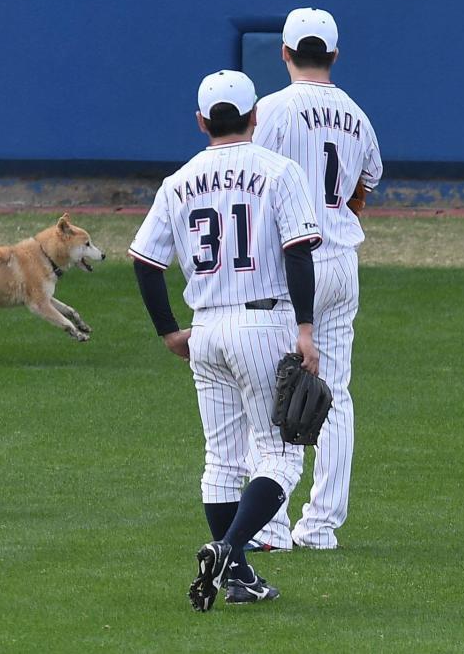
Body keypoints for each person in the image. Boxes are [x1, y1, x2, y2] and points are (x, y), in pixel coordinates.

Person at [129, 69, 322, 611]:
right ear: (255, 115)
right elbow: (299, 250)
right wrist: (306, 329)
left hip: (206, 330)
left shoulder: (178, 181)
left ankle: (237, 577)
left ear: (200, 121)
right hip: (264, 324)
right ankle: (228, 549)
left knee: (221, 458)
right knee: (282, 455)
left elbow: (145, 262)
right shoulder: (278, 170)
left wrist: (169, 330)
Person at [247, 7, 383, 550]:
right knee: (336, 391)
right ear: (333, 55)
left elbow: (252, 188)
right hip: (341, 261)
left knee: (273, 386)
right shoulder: (356, 113)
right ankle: (321, 525)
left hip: (289, 265)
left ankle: (272, 525)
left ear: (284, 52)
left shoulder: (271, 110)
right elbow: (366, 184)